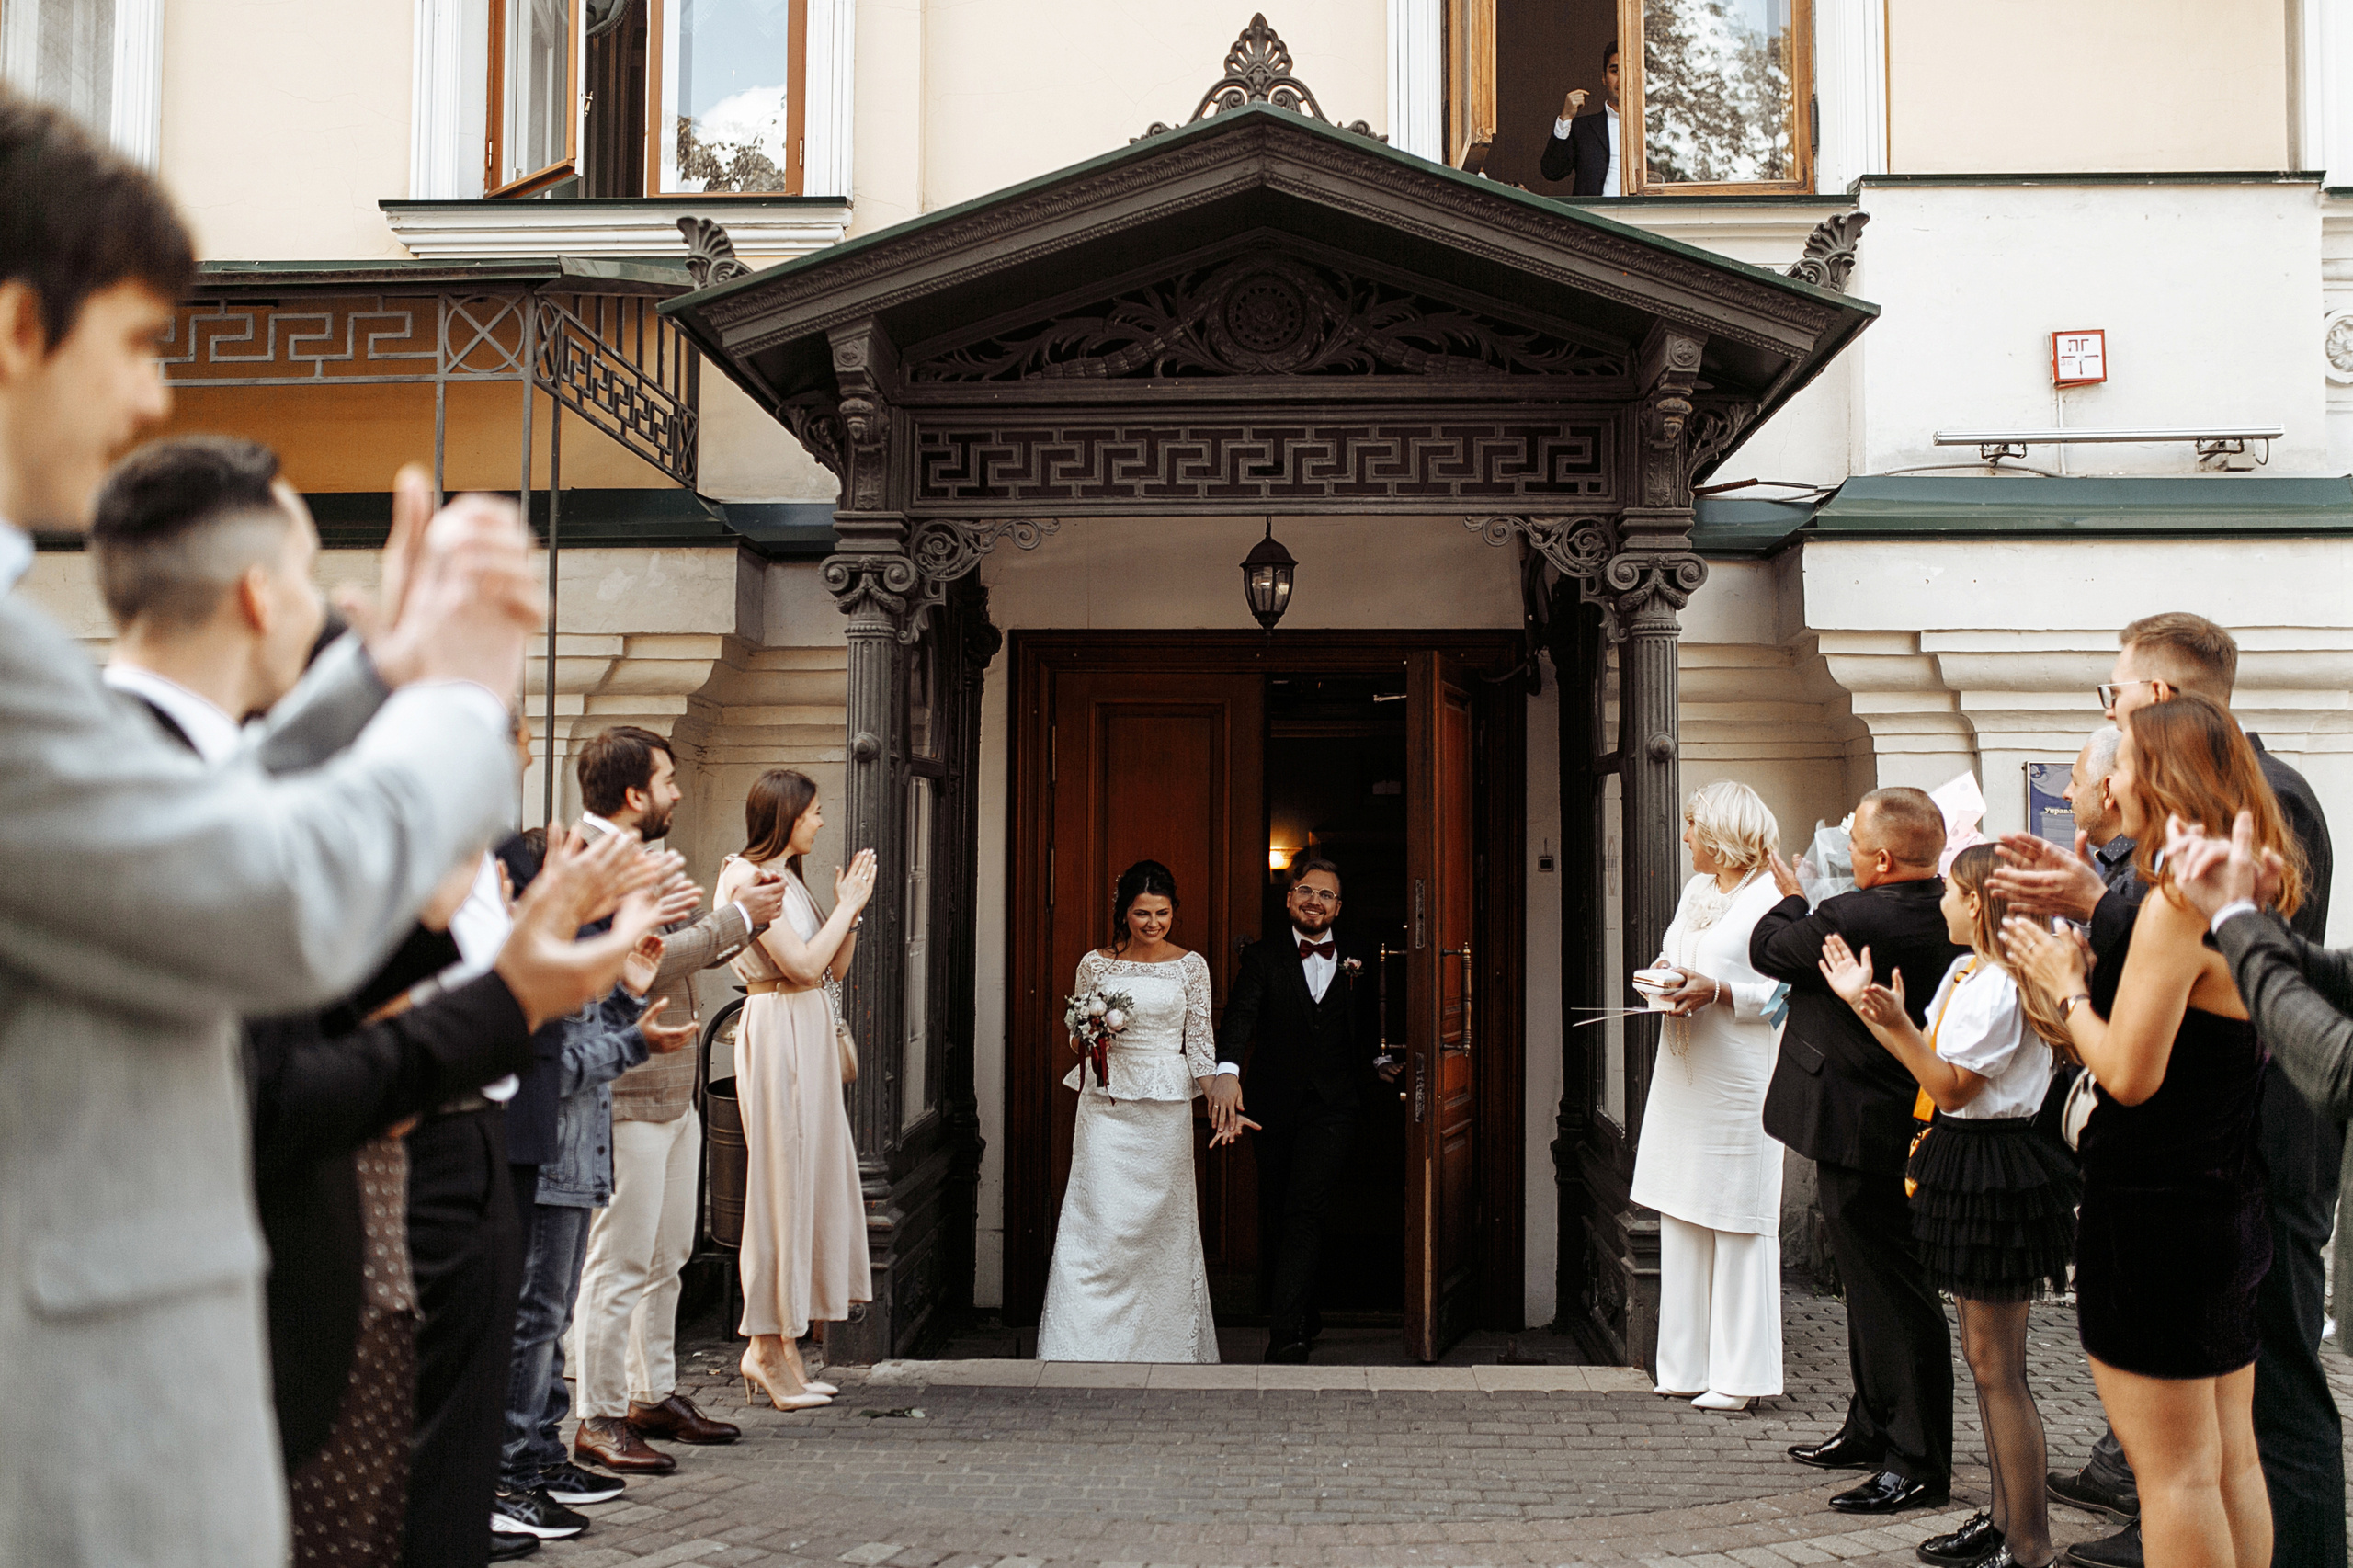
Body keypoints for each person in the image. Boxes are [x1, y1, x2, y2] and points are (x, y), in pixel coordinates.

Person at [0, 91, 540, 1568]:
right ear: (14, 329)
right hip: (80, 1413)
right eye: (135, 341)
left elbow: (165, 827)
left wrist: (381, 680)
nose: (148, 401)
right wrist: (465, 702)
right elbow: (265, 902)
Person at [85, 437, 665, 1565]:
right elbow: (273, 1077)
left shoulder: (175, 772)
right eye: (310, 577)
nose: (328, 606)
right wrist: (503, 996)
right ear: (261, 595)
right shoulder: (112, 771)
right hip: (191, 1324)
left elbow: (277, 942)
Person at [1995, 613, 2339, 1568]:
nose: (2102, 781)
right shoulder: (2238, 877)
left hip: (2158, 1203)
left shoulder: (2176, 900)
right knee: (2227, 1462)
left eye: (2117, 761)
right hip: (2218, 1198)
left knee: (2178, 1473)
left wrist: (2064, 979)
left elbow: (2130, 1073)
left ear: (2159, 767)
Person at [1820, 845, 2078, 1568]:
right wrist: (1872, 1010)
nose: (1941, 904)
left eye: (1953, 894)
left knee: (2000, 1367)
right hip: (1966, 1158)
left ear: (1982, 904)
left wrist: (1895, 1026)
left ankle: (2027, 1541)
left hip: (1996, 1164)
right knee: (1982, 1358)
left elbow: (1952, 1084)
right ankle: (1999, 1518)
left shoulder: (2002, 986)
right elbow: (1926, 1058)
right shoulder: (1967, 971)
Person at [570, 726, 786, 1474]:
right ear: (634, 794)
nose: (679, 791)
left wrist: (736, 925)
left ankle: (650, 1393)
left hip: (670, 1088)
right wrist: (736, 922)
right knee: (619, 1259)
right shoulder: (592, 864)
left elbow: (674, 948)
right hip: (623, 1089)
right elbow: (642, 964)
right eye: (667, 780)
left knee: (669, 1253)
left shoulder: (641, 858)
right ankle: (594, 1416)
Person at [1751, 787, 1968, 1516]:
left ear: (1879, 857)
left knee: (1896, 1293)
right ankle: (1872, 1426)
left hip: (1857, 1122)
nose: (1842, 849)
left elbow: (1770, 950)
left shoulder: (1852, 915)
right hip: (1898, 1118)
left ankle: (1917, 1459)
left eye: (1853, 839)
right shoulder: (1942, 910)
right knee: (1870, 1286)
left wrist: (1792, 898)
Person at [494, 865, 700, 1545]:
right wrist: (636, 1036)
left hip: (579, 1155)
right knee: (539, 1315)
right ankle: (514, 1477)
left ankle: (542, 1458)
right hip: (547, 1152)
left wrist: (626, 1002)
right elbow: (555, 1064)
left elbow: (585, 1037)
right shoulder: (535, 959)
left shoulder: (561, 955)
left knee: (551, 1313)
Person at [1038, 858, 1249, 1362]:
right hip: (1106, 1107)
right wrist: (1091, 1033)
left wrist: (1223, 1099)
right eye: (1141, 914)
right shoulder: (1096, 964)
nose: (1153, 923)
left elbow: (1199, 1046)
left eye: (1162, 913)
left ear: (1174, 911)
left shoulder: (1190, 966)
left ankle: (1167, 1348)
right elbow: (1075, 1039)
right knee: (1099, 1224)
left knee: (1162, 1229)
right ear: (1123, 913)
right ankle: (1080, 1348)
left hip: (1164, 1114)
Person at [713, 768, 877, 1405]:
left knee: (806, 1182)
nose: (820, 821)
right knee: (779, 1187)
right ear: (783, 817)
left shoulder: (788, 884)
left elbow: (830, 968)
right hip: (779, 1031)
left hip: (803, 1029)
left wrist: (849, 915)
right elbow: (802, 965)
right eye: (811, 813)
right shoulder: (747, 879)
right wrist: (848, 907)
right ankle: (763, 1348)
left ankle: (786, 1347)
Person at [1629, 781, 1790, 1412]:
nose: (1687, 837)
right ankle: (1684, 1364)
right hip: (1684, 1067)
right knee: (1683, 1208)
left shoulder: (1772, 896)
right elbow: (1676, 951)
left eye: (1695, 827)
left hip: (1740, 1075)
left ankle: (1742, 1376)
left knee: (1737, 1215)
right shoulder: (1698, 890)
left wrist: (1720, 992)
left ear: (1723, 834)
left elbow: (1784, 992)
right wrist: (1664, 979)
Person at [1211, 858, 1381, 1363]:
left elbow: (1367, 1019)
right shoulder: (1262, 958)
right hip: (1273, 1107)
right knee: (1280, 1208)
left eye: (1326, 895)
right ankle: (1306, 1309)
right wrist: (1226, 1071)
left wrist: (1378, 1060)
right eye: (1305, 891)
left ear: (1338, 907)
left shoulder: (1357, 956)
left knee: (1304, 1210)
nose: (1314, 901)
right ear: (1289, 900)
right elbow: (1240, 1015)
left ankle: (1287, 1339)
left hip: (1334, 1107)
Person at [1540, 40, 1622, 194]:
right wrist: (1566, 117)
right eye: (1615, 71)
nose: (1622, 78)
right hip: (1592, 216)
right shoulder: (1583, 128)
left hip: (1642, 216)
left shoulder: (1652, 130)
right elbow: (1552, 171)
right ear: (1604, 78)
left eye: (1628, 70)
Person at [2066, 725, 2134, 891]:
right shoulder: (2120, 863)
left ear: (2108, 791)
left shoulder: (2140, 874)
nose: (2066, 793)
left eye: (2076, 783)